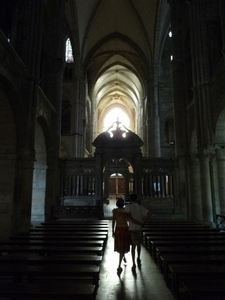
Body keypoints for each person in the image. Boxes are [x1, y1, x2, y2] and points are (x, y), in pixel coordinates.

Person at [112, 197, 142, 274]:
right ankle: (119, 265)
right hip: (125, 229)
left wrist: (112, 231)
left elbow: (113, 221)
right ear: (123, 204)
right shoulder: (125, 212)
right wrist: (139, 223)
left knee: (120, 245)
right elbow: (131, 220)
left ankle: (122, 258)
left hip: (118, 229)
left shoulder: (115, 211)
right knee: (123, 245)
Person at [124, 193, 152, 271]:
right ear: (136, 199)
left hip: (132, 228)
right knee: (139, 244)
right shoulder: (140, 207)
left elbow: (126, 216)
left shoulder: (128, 206)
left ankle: (133, 263)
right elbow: (149, 213)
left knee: (133, 246)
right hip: (139, 228)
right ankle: (138, 258)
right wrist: (143, 222)